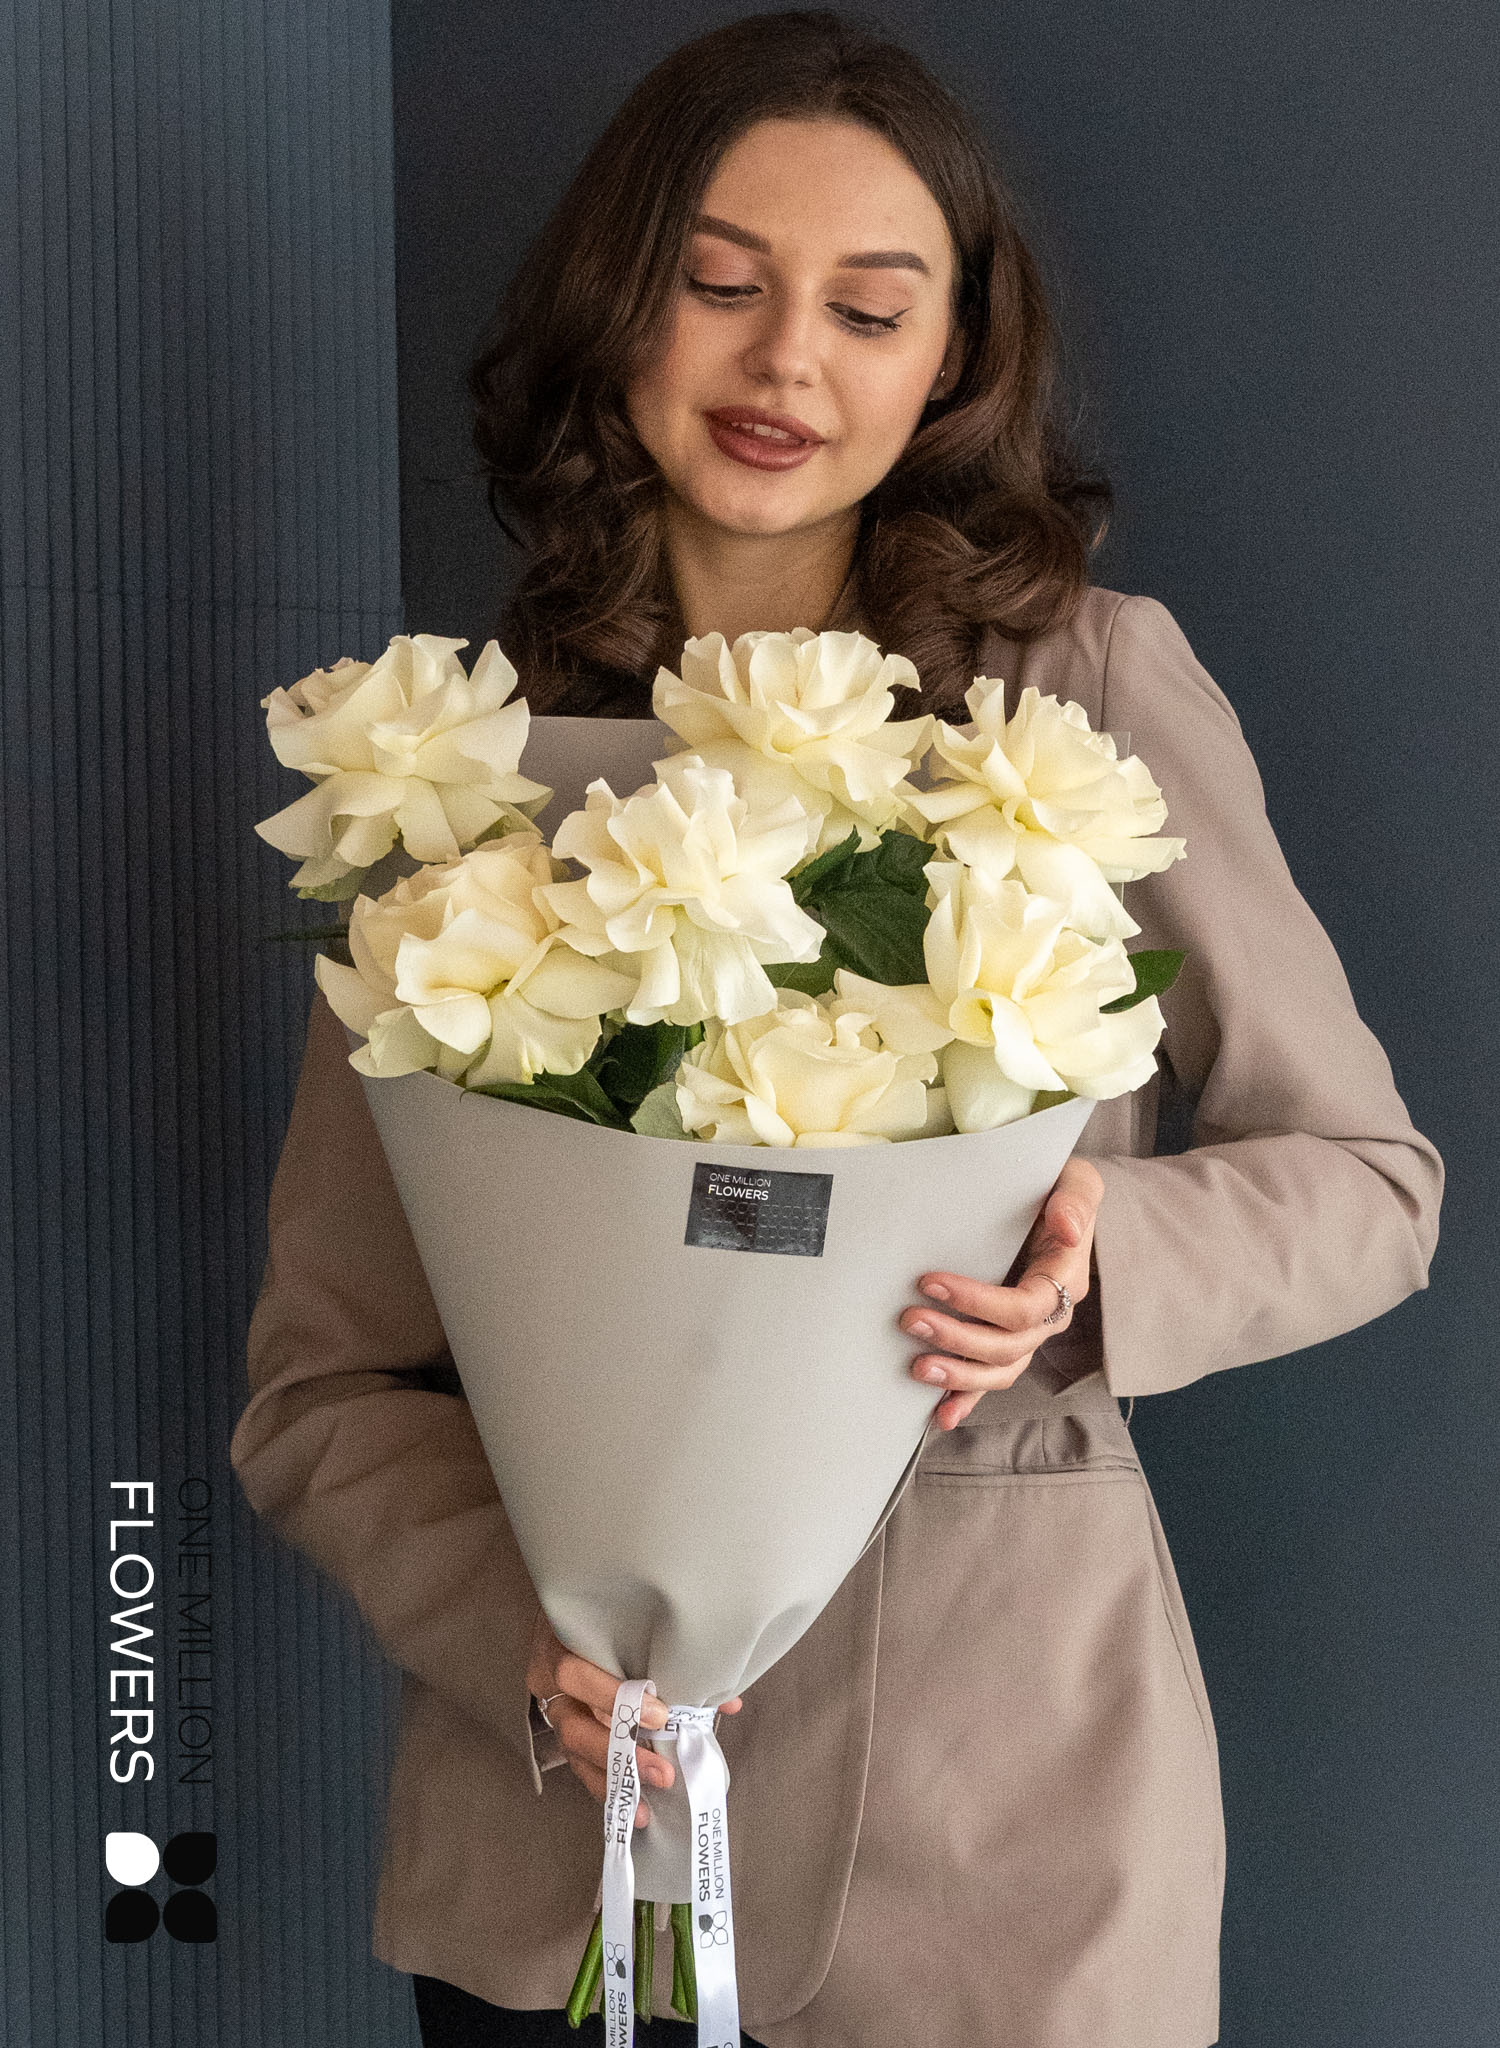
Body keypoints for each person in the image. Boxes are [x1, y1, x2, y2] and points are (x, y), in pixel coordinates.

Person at [229, 13, 1444, 2047]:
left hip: (998, 1850)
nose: (788, 361)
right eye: (721, 285)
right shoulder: (453, 766)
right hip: (561, 1872)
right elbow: (323, 1384)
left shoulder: (1078, 695)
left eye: (869, 311)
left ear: (951, 361)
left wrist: (1094, 1257)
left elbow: (1374, 1189)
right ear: (620, 306)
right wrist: (523, 1637)